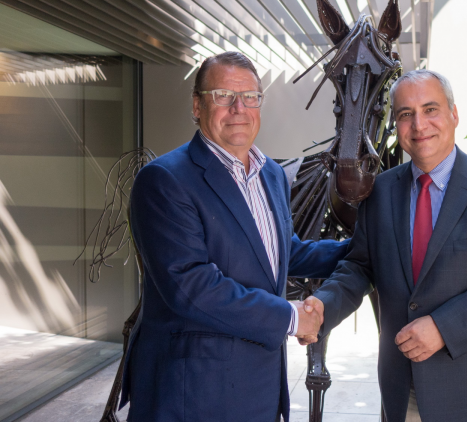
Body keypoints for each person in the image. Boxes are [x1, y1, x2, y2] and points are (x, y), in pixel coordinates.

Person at [303, 69, 467, 422]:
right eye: (405, 114)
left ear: (454, 114)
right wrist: (322, 307)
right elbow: (360, 267)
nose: (419, 125)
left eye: (430, 109)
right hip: (401, 389)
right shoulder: (379, 193)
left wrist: (443, 327)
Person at [120, 51, 348, 422]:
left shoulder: (270, 173)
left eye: (250, 97)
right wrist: (291, 317)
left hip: (258, 384)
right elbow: (191, 285)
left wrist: (364, 248)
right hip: (194, 393)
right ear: (197, 106)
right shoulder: (164, 180)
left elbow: (279, 252)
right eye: (223, 96)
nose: (239, 108)